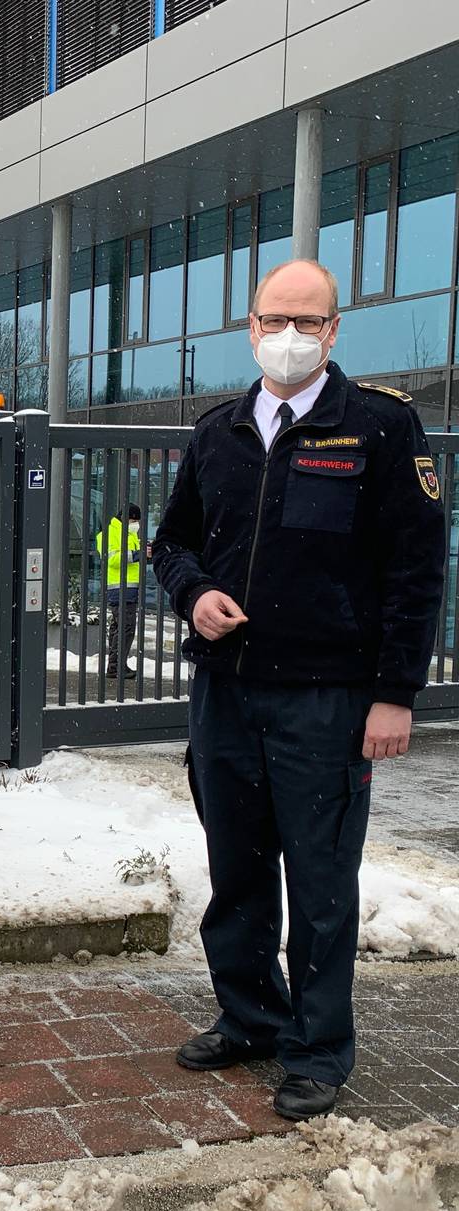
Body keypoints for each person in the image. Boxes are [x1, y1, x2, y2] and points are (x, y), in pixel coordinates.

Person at [153, 258, 445, 1121]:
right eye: (274, 320)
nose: (289, 337)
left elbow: (417, 570)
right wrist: (193, 594)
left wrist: (395, 694)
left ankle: (318, 1050)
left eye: (307, 322)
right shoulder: (218, 432)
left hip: (326, 700)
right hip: (226, 695)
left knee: (321, 885)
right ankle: (250, 1018)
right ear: (248, 327)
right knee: (236, 872)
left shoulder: (381, 429)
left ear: (333, 331)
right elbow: (171, 544)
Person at [97, 503, 145, 678]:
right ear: (126, 519)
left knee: (119, 628)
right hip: (120, 589)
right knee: (126, 628)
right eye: (134, 520)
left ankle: (115, 666)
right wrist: (139, 554)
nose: (136, 524)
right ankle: (117, 666)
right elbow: (114, 559)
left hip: (126, 588)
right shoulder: (110, 534)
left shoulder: (128, 534)